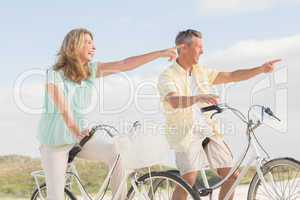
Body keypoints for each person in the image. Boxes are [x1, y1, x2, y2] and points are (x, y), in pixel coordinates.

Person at [37, 28, 180, 200]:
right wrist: (76, 130)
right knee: (56, 196)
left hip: (79, 138)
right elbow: (62, 107)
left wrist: (160, 53)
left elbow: (124, 64)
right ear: (74, 46)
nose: (93, 47)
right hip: (55, 143)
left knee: (115, 152)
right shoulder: (54, 74)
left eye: (93, 42)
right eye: (88, 42)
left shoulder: (90, 71)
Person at [157, 29, 281, 200]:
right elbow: (173, 101)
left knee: (232, 176)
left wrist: (260, 69)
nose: (202, 51)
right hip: (184, 132)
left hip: (208, 129)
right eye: (199, 46)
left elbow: (231, 75)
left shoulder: (201, 72)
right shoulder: (168, 75)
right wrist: (197, 97)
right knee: (189, 179)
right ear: (184, 48)